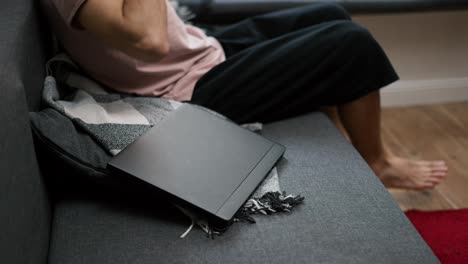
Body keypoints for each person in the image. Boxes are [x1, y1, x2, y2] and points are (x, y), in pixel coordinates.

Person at [41, 0, 448, 190]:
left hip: (202, 52)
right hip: (181, 90)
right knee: (351, 42)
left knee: (330, 13)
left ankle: (341, 125)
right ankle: (378, 162)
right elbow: (149, 40)